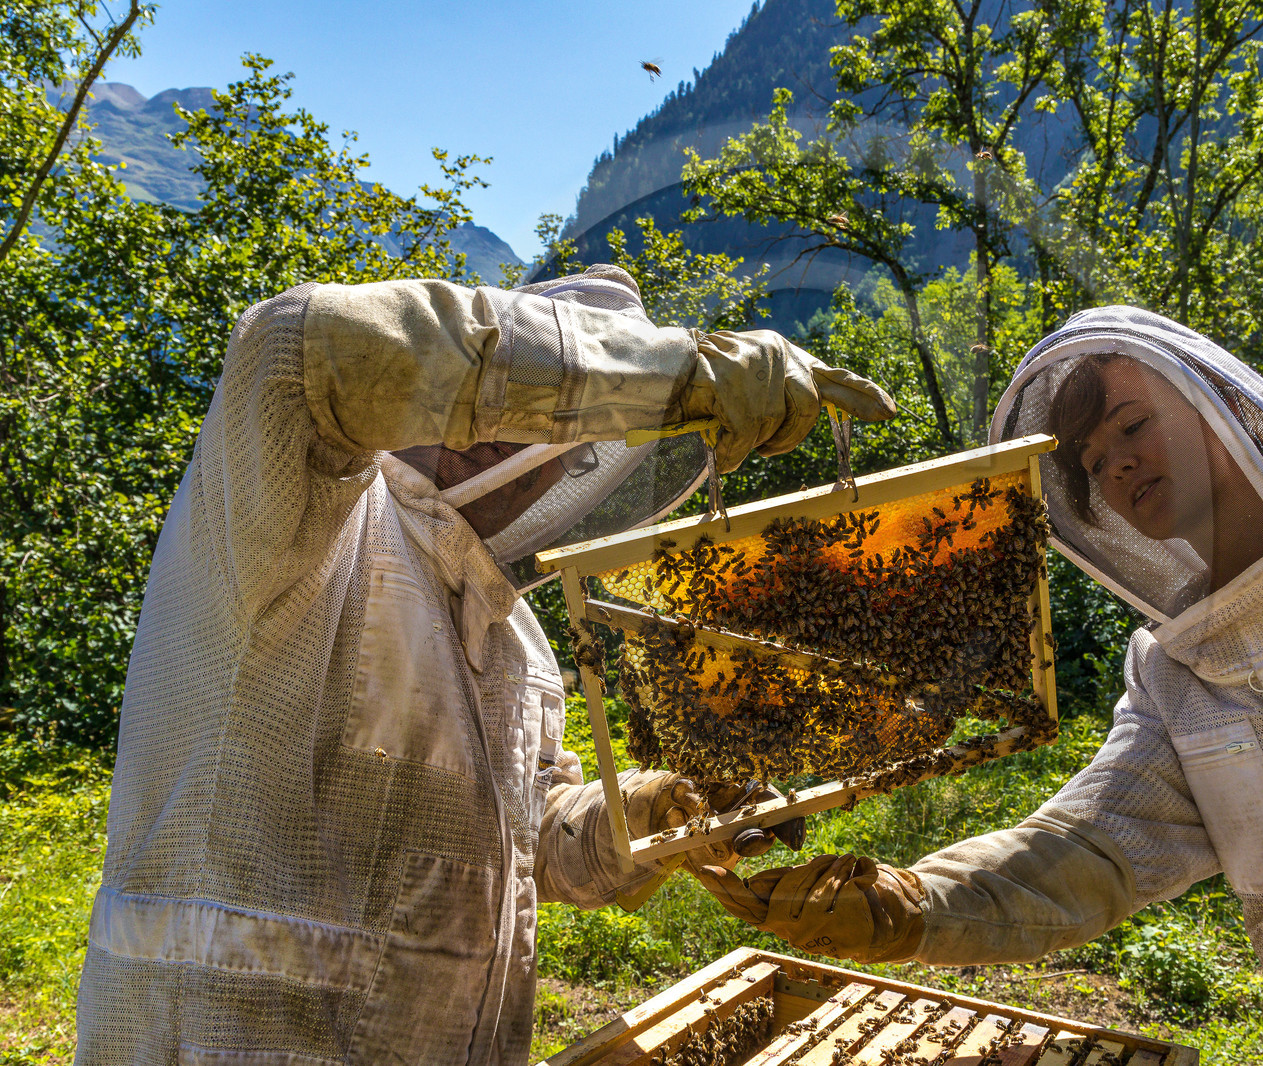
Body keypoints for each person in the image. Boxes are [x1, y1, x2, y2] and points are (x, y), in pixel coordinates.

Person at [695, 305, 1263, 1066]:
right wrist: (908, 905)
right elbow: (1089, 850)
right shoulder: (1177, 672)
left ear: (1223, 406)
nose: (1117, 465)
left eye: (1131, 425)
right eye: (1091, 464)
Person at [74, 265, 896, 1064]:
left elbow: (533, 836)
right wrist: (682, 372)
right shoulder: (294, 518)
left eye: (561, 437)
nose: (513, 444)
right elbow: (292, 348)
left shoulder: (518, 638)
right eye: (526, 406)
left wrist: (650, 812)